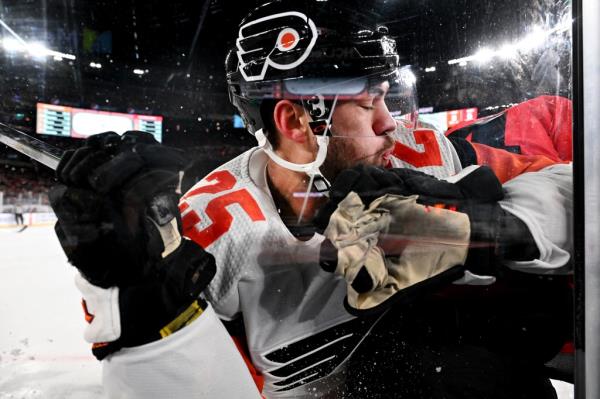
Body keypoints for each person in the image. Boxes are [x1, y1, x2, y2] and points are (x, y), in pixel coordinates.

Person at [49, 1, 573, 398]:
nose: (393, 124)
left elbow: (566, 185)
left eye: (388, 98)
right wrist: (145, 318)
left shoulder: (426, 152)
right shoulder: (212, 233)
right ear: (297, 120)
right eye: (370, 103)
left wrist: (491, 224)